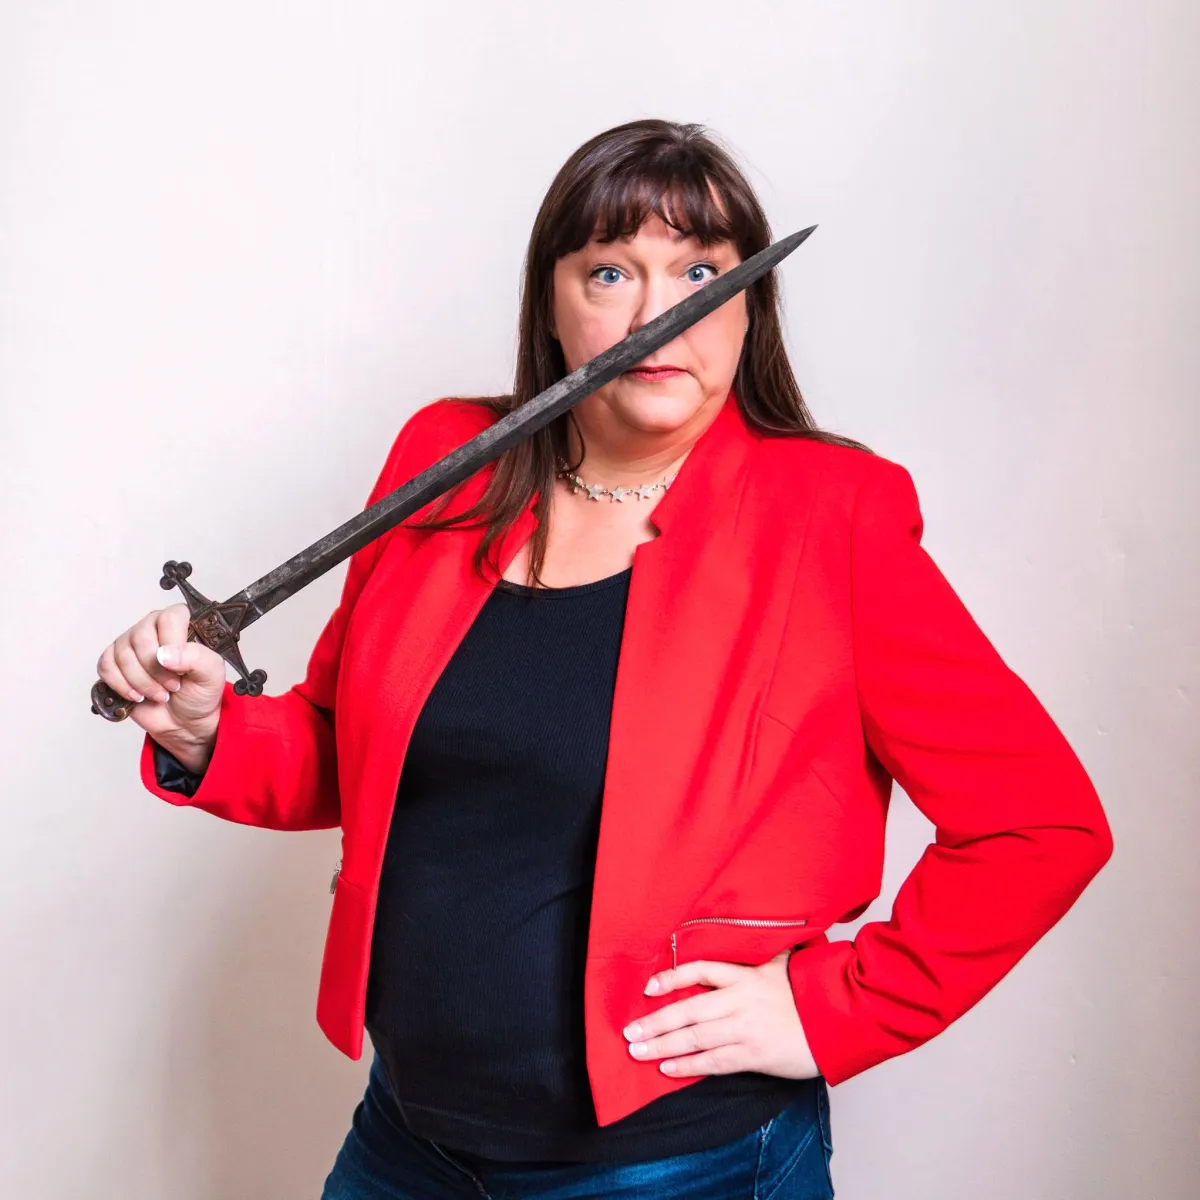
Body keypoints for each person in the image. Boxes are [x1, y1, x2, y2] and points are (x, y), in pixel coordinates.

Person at [95, 119, 1113, 1199]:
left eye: (701, 272)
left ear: (752, 303)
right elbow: (357, 754)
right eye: (611, 272)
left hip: (679, 1167)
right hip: (407, 1143)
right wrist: (210, 732)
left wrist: (834, 1008)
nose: (655, 315)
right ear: (552, 301)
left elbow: (1041, 825)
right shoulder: (447, 461)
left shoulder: (831, 516)